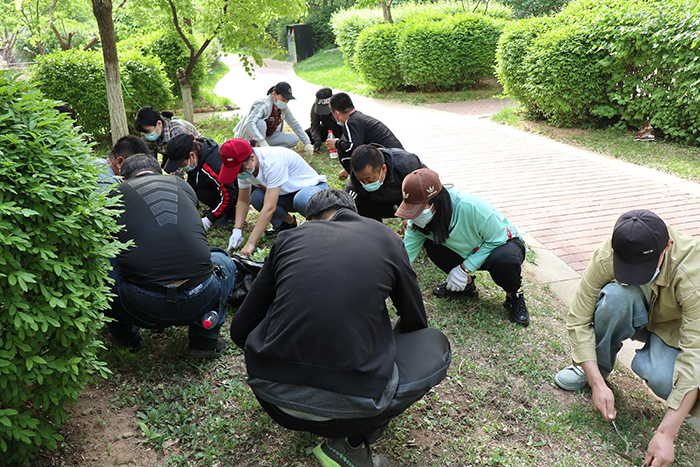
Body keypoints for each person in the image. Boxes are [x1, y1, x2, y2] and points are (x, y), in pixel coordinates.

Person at [230, 189, 451, 467]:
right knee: (434, 341)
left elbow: (240, 330)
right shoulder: (386, 238)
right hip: (353, 408)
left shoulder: (288, 238)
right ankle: (353, 444)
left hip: (273, 399)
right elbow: (415, 322)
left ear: (310, 220)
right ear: (353, 214)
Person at [554, 209, 700, 467]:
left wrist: (666, 433)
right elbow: (578, 318)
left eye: (642, 269)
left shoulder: (693, 272)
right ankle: (598, 368)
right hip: (641, 310)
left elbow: (694, 357)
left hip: (677, 331)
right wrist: (596, 382)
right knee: (615, 299)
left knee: (662, 377)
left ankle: (683, 405)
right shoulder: (609, 253)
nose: (634, 275)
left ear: (666, 247)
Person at [105, 154, 237, 358]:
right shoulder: (181, 184)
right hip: (199, 296)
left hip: (140, 306)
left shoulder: (115, 193)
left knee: (104, 261)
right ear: (160, 174)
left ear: (123, 180)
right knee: (223, 260)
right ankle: (205, 339)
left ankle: (128, 339)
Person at [396, 169, 530, 327]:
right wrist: (387, 280)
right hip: (468, 251)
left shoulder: (469, 205)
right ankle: (466, 287)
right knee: (432, 246)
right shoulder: (419, 223)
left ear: (435, 201)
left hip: (502, 244)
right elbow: (403, 258)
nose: (413, 216)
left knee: (504, 260)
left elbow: (497, 239)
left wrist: (464, 268)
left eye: (417, 209)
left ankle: (514, 296)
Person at [221, 139, 328, 257]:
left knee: (301, 199)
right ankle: (287, 224)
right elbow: (243, 201)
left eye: (240, 169)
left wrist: (250, 243)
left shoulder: (273, 161)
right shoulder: (245, 168)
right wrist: (237, 229)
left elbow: (269, 208)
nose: (239, 173)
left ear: (252, 158)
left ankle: (322, 228)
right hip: (286, 194)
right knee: (257, 197)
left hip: (312, 190)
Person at [164, 133, 238, 229]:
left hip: (236, 191)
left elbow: (229, 195)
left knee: (202, 191)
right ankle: (216, 208)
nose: (180, 168)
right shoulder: (199, 149)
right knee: (194, 187)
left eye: (182, 164)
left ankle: (232, 213)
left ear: (192, 155)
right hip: (223, 187)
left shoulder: (212, 167)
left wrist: (210, 219)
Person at [325, 92, 403, 181]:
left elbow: (353, 148)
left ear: (336, 113)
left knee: (344, 152)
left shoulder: (351, 122)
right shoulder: (358, 118)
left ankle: (360, 181)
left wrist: (336, 143)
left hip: (392, 161)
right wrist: (346, 171)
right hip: (397, 157)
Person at [348, 144, 427, 222]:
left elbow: (431, 186)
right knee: (361, 207)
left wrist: (410, 215)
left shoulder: (407, 164)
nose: (366, 184)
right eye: (361, 180)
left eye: (370, 180)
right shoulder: (355, 181)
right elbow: (345, 208)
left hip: (406, 200)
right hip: (380, 206)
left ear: (384, 169)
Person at [233, 81, 314, 157]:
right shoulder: (263, 104)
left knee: (293, 139)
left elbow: (294, 124)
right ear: (274, 94)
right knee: (261, 123)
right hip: (251, 139)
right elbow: (249, 123)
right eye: (283, 99)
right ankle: (256, 152)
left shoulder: (284, 107)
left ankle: (270, 152)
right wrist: (262, 142)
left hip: (268, 137)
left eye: (287, 100)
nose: (285, 102)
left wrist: (307, 142)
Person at [134, 106, 200, 168]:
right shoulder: (148, 136)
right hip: (170, 152)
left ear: (159, 124)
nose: (146, 135)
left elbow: (180, 159)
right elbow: (150, 159)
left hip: (193, 152)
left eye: (147, 131)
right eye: (144, 132)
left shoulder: (177, 132)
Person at [305, 87, 342, 151]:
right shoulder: (315, 106)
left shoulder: (340, 104)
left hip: (339, 128)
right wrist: (317, 139)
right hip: (326, 130)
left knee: (329, 122)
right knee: (307, 133)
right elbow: (315, 124)